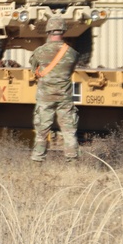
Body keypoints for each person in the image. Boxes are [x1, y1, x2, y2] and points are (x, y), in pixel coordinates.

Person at [29, 17, 80, 162]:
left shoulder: (39, 52)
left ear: (48, 31)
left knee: (42, 132)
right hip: (65, 98)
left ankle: (38, 161)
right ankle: (72, 162)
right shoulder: (71, 53)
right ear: (63, 31)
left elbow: (34, 69)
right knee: (69, 132)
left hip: (45, 98)